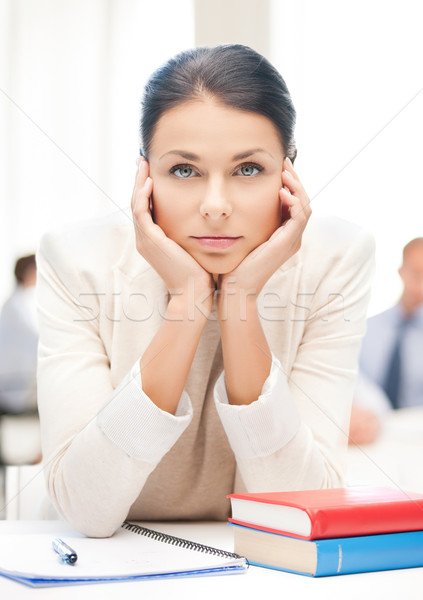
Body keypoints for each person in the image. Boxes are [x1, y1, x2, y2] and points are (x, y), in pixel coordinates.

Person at [36, 44, 374, 537]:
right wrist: (189, 299)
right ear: (144, 176)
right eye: (185, 170)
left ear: (288, 173)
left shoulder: (336, 258)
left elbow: (300, 508)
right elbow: (86, 510)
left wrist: (240, 299)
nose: (216, 206)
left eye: (248, 169)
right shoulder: (76, 258)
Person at [349, 238, 423, 444]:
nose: (421, 286)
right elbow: (353, 383)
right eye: (417, 274)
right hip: (369, 439)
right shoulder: (365, 329)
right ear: (402, 272)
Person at [0, 254, 38, 414]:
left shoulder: (22, 301)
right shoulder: (16, 306)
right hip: (14, 388)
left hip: (18, 382)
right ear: (28, 272)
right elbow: (36, 341)